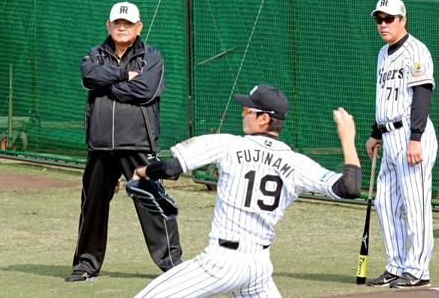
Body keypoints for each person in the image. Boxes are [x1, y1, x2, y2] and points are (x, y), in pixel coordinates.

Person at [131, 85, 362, 297]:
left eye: (247, 109)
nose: (243, 114)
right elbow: (349, 188)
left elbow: (172, 167)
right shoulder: (296, 163)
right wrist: (347, 138)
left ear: (264, 119)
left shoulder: (229, 145)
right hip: (258, 268)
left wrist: (144, 171)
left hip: (221, 263)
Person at [66, 1, 182, 282]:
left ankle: (174, 267)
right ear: (109, 26)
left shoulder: (151, 57)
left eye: (128, 24)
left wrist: (108, 85)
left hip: (139, 144)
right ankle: (86, 264)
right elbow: (88, 75)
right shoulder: (95, 54)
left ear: (138, 27)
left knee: (153, 203)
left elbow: (145, 90)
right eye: (117, 23)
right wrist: (122, 75)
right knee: (92, 206)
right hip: (101, 145)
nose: (122, 27)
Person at [365, 0, 437, 288]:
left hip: (411, 134)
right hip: (389, 134)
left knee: (414, 202)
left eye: (389, 19)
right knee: (385, 202)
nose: (383, 24)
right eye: (379, 19)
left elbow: (421, 94)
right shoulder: (383, 53)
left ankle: (418, 269)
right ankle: (396, 265)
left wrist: (416, 138)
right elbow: (385, 97)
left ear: (402, 20)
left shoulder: (416, 51)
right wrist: (375, 132)